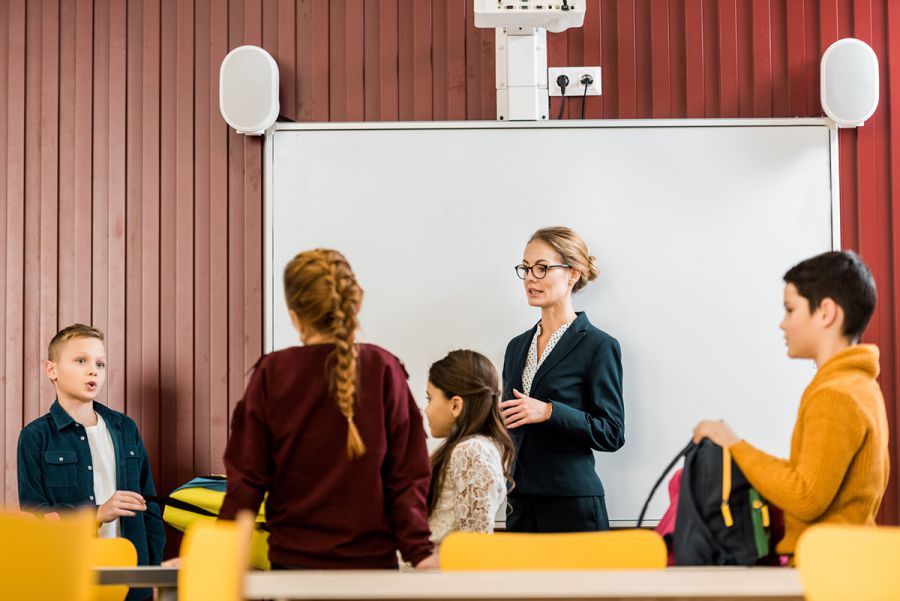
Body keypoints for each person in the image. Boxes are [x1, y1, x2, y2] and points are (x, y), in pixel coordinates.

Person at [218, 249, 435, 569]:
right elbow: (405, 477)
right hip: (372, 574)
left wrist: (217, 555)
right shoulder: (383, 368)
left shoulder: (273, 373)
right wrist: (419, 552)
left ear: (294, 314)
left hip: (293, 573)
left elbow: (246, 483)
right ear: (353, 303)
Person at [694, 250, 890, 559]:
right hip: (849, 563)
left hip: (828, 570)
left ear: (826, 312)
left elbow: (805, 496)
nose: (782, 324)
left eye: (790, 309)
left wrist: (735, 445)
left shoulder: (835, 394)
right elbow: (812, 481)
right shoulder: (859, 385)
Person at [17, 324, 165, 601]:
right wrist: (95, 515)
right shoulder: (35, 437)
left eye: (100, 363)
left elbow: (150, 509)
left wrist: (154, 573)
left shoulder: (126, 428)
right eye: (81, 360)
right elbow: (35, 516)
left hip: (133, 582)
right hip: (70, 581)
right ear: (52, 370)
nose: (93, 370)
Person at [500, 226, 625, 532]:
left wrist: (550, 412)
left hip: (573, 504)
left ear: (572, 274)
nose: (530, 277)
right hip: (519, 502)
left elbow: (612, 433)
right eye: (526, 268)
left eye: (542, 268)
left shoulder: (599, 345)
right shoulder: (516, 347)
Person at [424, 350, 515, 544]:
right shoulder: (474, 448)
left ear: (455, 405)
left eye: (429, 399)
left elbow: (475, 544)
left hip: (441, 571)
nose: (426, 409)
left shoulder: (471, 451)